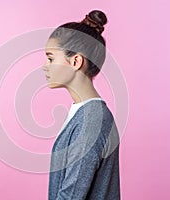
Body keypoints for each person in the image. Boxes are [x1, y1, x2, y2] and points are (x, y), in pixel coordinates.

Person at [42, 10, 121, 200]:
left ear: (76, 61)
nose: (45, 65)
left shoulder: (90, 121)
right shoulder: (86, 114)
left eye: (51, 58)